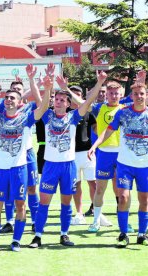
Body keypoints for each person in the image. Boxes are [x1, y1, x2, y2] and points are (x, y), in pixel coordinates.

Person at [0, 70, 50, 253]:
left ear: (20, 102)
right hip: (0, 170)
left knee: (20, 205)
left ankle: (16, 241)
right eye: (7, 98)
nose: (9, 100)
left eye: (13, 98)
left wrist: (48, 87)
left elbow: (43, 107)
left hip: (19, 169)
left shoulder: (26, 118)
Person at [28, 70, 107, 248]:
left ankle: (64, 234)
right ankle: (38, 236)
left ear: (68, 103)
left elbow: (88, 101)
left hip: (68, 167)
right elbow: (39, 100)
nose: (58, 102)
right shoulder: (47, 116)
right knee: (44, 202)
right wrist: (42, 85)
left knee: (66, 202)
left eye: (62, 100)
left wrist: (100, 82)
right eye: (56, 99)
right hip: (50, 166)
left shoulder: (73, 117)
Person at [88, 81, 148, 248]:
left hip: (144, 166)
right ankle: (123, 233)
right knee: (123, 197)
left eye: (142, 94)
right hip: (125, 165)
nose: (139, 97)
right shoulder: (122, 113)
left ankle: (142, 233)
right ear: (131, 96)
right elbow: (106, 132)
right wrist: (94, 146)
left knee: (144, 200)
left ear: (146, 95)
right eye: (136, 94)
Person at [54, 80, 97, 225]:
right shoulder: (63, 114)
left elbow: (96, 129)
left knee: (93, 183)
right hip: (71, 155)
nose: (75, 97)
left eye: (78, 94)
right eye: (72, 95)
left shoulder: (87, 112)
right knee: (76, 185)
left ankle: (97, 213)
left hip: (87, 153)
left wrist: (97, 146)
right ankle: (79, 213)